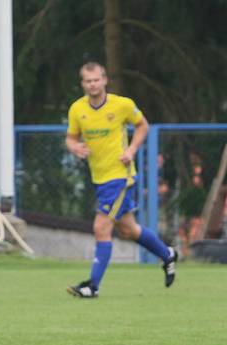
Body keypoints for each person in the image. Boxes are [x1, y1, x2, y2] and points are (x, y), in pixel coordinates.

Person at [65, 62, 178, 298]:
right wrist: (75, 148)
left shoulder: (122, 105)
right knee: (128, 229)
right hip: (100, 178)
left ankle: (92, 286)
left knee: (101, 227)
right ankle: (167, 255)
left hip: (120, 177)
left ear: (105, 80)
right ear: (82, 84)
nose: (93, 84)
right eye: (88, 81)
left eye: (97, 79)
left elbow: (142, 126)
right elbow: (71, 138)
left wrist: (132, 150)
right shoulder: (77, 109)